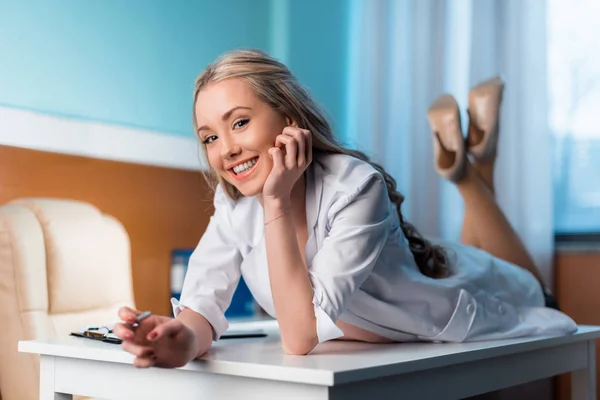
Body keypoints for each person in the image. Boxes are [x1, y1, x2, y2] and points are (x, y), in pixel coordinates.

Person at [113, 49, 576, 368]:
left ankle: (473, 172)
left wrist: (275, 200)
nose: (226, 148)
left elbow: (300, 336)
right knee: (457, 249)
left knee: (532, 285)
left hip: (467, 296)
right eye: (210, 137)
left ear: (289, 120)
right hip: (426, 268)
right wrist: (181, 338)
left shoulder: (355, 185)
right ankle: (471, 165)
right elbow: (202, 301)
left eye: (239, 122)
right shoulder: (233, 202)